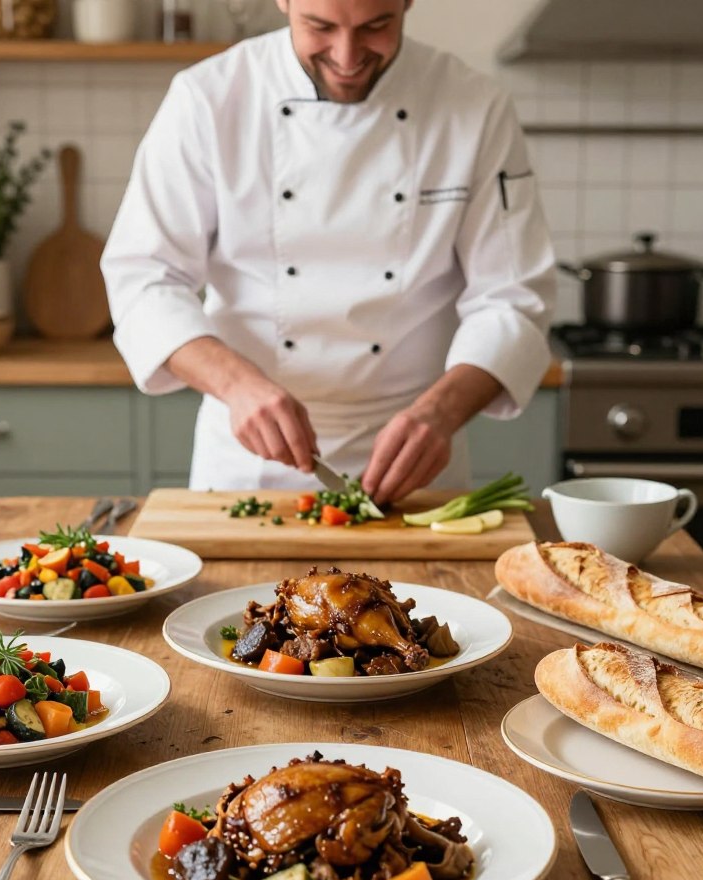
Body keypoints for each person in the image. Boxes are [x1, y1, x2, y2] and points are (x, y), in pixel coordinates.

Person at [102, 0, 555, 506]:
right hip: (248, 466)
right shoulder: (210, 98)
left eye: (376, 26)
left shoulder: (473, 105)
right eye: (319, 26)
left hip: (415, 461)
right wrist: (236, 385)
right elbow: (144, 278)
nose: (346, 54)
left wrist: (441, 414)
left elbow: (513, 296)